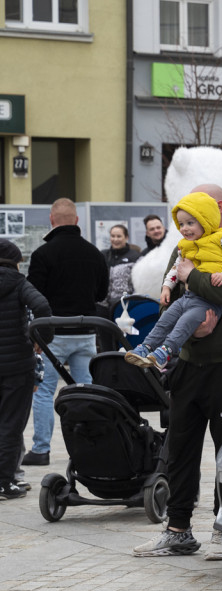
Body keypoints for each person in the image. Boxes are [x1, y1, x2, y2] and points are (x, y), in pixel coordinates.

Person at [133, 183, 222, 561]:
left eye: (196, 211)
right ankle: (178, 531)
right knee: (179, 449)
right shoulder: (185, 245)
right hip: (188, 365)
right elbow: (172, 296)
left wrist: (194, 278)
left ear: (219, 207)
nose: (186, 222)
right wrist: (186, 311)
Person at [24, 198, 109, 467]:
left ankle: (41, 450)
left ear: (51, 220)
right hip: (85, 333)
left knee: (45, 391)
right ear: (77, 221)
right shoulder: (95, 253)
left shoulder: (42, 255)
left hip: (52, 336)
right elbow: (102, 294)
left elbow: (32, 296)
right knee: (85, 390)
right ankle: (90, 447)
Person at [125, 192, 222, 370]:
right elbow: (177, 268)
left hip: (208, 301)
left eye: (190, 223)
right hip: (187, 297)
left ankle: (165, 352)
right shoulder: (185, 245)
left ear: (206, 220)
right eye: (181, 224)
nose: (184, 228)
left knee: (184, 324)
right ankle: (146, 347)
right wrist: (167, 287)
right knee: (165, 320)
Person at [0, 240, 52, 498]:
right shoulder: (19, 283)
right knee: (11, 423)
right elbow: (41, 306)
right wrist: (41, 340)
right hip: (16, 366)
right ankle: (4, 482)